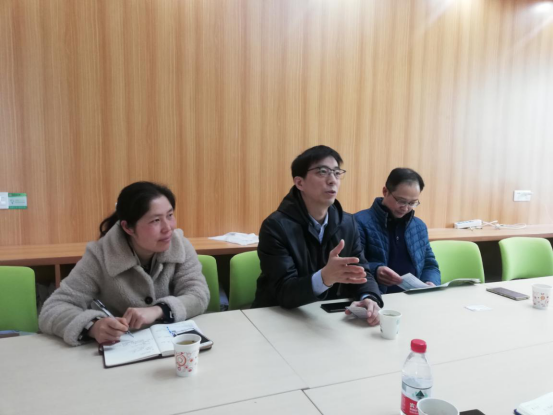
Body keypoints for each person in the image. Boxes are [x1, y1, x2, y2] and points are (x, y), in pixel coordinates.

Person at [39, 181, 210, 346]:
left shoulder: (179, 244)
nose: (168, 228)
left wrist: (158, 310)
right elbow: (53, 308)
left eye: (170, 215)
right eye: (155, 220)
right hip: (122, 348)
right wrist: (93, 326)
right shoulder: (100, 256)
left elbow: (198, 294)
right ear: (128, 228)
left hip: (173, 345)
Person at [251, 145, 383, 325]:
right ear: (300, 183)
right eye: (322, 172)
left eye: (336, 173)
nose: (332, 180)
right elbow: (283, 292)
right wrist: (324, 278)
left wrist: (369, 297)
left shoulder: (348, 223)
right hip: (279, 317)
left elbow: (361, 271)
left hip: (328, 318)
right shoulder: (275, 226)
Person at [355, 168, 440, 294]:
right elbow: (353, 265)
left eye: (412, 203)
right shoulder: (359, 223)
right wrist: (375, 270)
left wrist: (431, 282)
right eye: (401, 201)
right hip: (377, 298)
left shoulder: (419, 226)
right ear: (385, 191)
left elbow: (430, 265)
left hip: (414, 298)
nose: (405, 208)